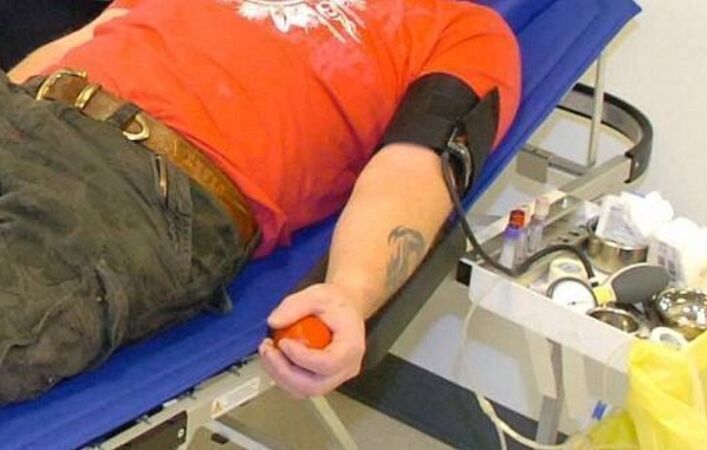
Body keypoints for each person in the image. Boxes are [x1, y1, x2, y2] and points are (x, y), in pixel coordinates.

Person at [0, 0, 520, 403]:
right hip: (31, 108)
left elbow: (412, 170)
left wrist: (351, 291)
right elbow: (93, 35)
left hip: (143, 189)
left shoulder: (461, 33)